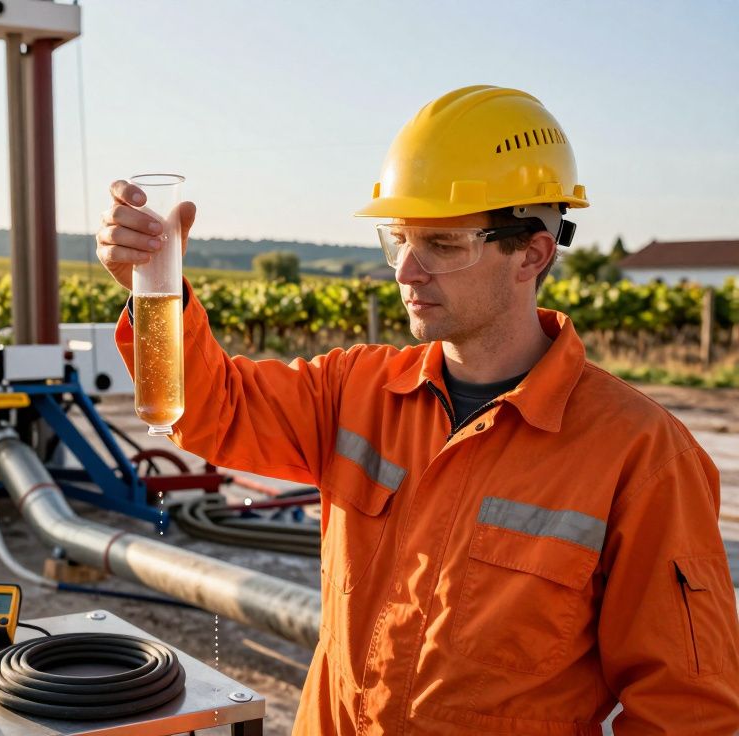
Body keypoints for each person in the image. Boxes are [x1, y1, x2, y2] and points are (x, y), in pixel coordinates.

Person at [96, 85, 739, 734]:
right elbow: (209, 409)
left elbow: (685, 712)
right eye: (399, 238)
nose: (406, 270)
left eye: (443, 244)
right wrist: (157, 292)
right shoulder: (355, 390)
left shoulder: (641, 456)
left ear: (533, 253)